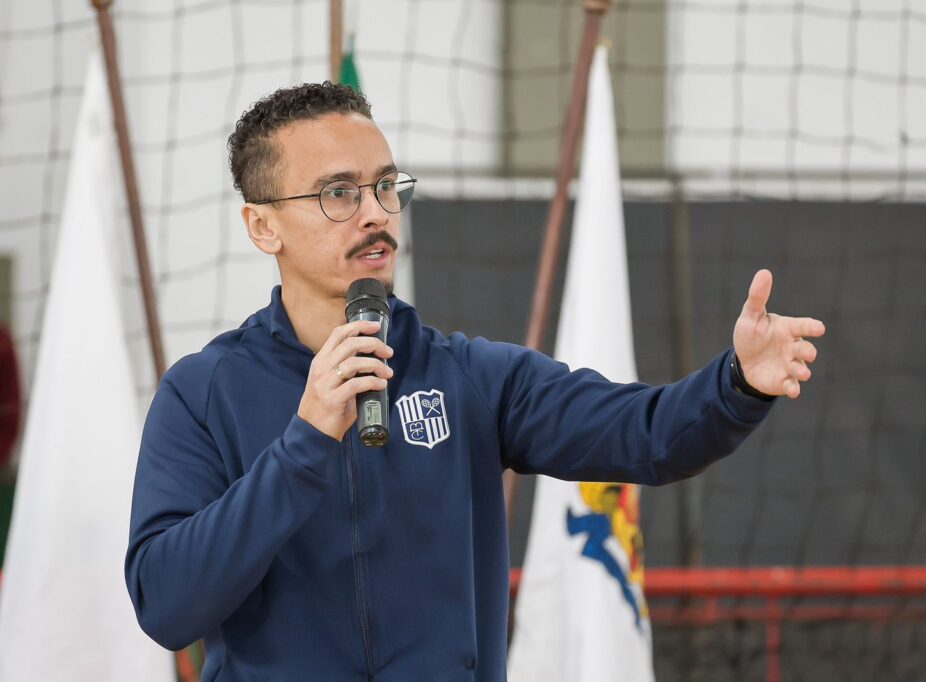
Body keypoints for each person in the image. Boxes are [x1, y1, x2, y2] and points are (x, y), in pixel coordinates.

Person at [125, 82, 825, 681]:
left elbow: (650, 435)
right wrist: (304, 442)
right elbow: (166, 604)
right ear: (261, 226)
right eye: (338, 193)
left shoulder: (472, 377)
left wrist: (738, 383)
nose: (375, 213)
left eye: (385, 185)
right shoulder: (200, 393)